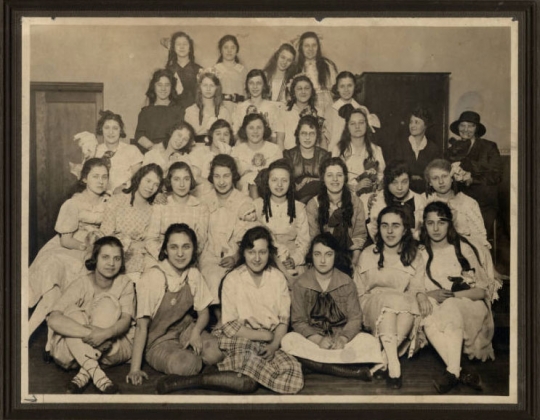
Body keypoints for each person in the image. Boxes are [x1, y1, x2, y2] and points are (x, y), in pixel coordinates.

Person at [157, 226, 304, 395]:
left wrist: (273, 344)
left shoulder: (277, 278)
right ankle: (187, 381)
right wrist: (264, 336)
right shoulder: (233, 279)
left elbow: (283, 320)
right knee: (247, 381)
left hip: (270, 341)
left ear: (269, 253)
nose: (257, 258)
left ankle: (220, 373)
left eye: (262, 252)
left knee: (293, 374)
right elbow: (229, 327)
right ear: (243, 253)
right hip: (238, 337)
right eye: (251, 252)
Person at [418, 201, 497, 393]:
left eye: (441, 222)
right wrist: (430, 294)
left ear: (450, 224)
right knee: (427, 316)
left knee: (451, 305)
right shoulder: (421, 253)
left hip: (469, 308)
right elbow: (415, 289)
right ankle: (458, 371)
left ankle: (452, 371)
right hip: (440, 308)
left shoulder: (462, 249)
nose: (436, 228)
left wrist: (452, 295)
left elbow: (481, 291)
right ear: (424, 225)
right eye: (430, 223)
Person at [281, 233, 383, 379]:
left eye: (328, 254)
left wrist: (343, 339)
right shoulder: (301, 283)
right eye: (317, 254)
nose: (322, 260)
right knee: (288, 341)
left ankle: (316, 365)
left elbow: (355, 319)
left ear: (336, 256)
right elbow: (298, 321)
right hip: (314, 342)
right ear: (311, 256)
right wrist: (318, 340)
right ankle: (347, 370)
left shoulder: (346, 282)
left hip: (341, 341)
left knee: (370, 342)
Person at [29, 158, 110, 340]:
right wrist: (86, 247)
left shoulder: (109, 202)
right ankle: (33, 336)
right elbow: (65, 240)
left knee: (69, 294)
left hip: (91, 251)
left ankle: (50, 342)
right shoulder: (74, 203)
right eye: (95, 176)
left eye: (104, 177)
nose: (100, 181)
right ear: (84, 179)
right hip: (68, 248)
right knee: (52, 285)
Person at [126, 223, 214, 386]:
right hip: (157, 341)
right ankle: (188, 358)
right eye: (174, 247)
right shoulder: (153, 277)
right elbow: (141, 327)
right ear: (165, 250)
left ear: (193, 249)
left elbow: (204, 312)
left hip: (184, 330)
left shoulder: (193, 274)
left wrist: (195, 332)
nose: (180, 254)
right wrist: (135, 369)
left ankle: (190, 354)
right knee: (186, 365)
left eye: (186, 247)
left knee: (215, 353)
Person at [47, 236, 135, 394]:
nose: (111, 263)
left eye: (117, 258)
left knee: (108, 302)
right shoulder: (81, 283)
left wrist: (106, 334)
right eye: (105, 257)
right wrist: (94, 335)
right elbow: (53, 318)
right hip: (72, 353)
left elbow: (126, 320)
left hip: (112, 349)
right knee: (72, 312)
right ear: (95, 258)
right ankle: (97, 374)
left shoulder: (125, 283)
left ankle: (85, 374)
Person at [355, 206, 427, 389]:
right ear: (378, 229)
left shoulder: (415, 255)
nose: (389, 231)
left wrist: (420, 296)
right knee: (390, 304)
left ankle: (387, 360)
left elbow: (416, 288)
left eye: (395, 225)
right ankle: (394, 365)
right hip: (372, 306)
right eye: (384, 225)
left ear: (404, 230)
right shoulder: (368, 254)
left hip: (402, 310)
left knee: (404, 304)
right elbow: (359, 291)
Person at [199, 154, 258, 311]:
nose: (221, 181)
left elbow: (250, 238)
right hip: (208, 256)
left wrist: (236, 256)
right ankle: (216, 320)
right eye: (217, 176)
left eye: (226, 176)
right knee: (210, 275)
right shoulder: (204, 200)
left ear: (234, 176)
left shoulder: (244, 202)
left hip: (237, 255)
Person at [423, 159, 497, 283]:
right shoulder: (426, 203)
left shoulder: (468, 202)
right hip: (436, 248)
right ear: (429, 183)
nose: (441, 182)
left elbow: (479, 236)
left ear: (452, 178)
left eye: (445, 176)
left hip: (465, 248)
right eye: (435, 178)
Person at [100, 164, 164, 283]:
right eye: (148, 181)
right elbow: (106, 233)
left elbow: (151, 239)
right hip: (115, 251)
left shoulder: (154, 209)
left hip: (142, 255)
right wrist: (128, 244)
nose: (150, 187)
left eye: (156, 184)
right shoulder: (117, 200)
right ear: (139, 178)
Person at [445, 111, 503, 239]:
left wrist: (472, 178)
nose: (466, 130)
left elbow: (496, 175)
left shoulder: (488, 147)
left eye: (470, 126)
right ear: (458, 127)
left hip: (483, 202)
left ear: (476, 129)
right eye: (462, 125)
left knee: (473, 236)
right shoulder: (451, 150)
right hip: (457, 200)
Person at [254, 159, 310, 288]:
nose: (279, 185)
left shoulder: (299, 208)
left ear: (290, 183)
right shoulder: (257, 206)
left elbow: (304, 241)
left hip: (291, 259)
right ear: (267, 182)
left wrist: (294, 260)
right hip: (264, 258)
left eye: (284, 180)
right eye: (274, 180)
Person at [306, 157, 367, 266]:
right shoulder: (314, 204)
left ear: (345, 178)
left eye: (339, 175)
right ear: (323, 179)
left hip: (350, 256)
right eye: (330, 175)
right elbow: (314, 238)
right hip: (322, 257)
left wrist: (354, 262)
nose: (335, 179)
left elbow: (359, 233)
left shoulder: (356, 202)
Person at [145, 161, 209, 266]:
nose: (182, 184)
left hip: (188, 260)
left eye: (186, 179)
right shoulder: (161, 206)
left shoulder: (201, 207)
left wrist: (185, 258)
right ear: (170, 181)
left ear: (191, 180)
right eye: (176, 179)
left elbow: (200, 240)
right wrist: (166, 257)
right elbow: (151, 239)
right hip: (162, 259)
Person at [367, 160, 426, 242]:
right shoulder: (378, 200)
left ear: (410, 181)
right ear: (387, 182)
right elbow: (374, 232)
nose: (399, 187)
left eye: (404, 182)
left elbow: (422, 230)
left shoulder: (419, 200)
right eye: (394, 182)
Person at [332, 105, 385, 197]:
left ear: (367, 125)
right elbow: (333, 178)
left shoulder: (376, 150)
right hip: (345, 195)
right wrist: (355, 187)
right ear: (347, 127)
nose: (357, 126)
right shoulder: (339, 149)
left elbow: (382, 177)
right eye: (353, 123)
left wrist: (376, 185)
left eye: (361, 123)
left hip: (371, 196)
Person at [231, 113, 283, 199]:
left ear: (264, 129)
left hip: (270, 194)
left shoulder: (275, 150)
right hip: (243, 196)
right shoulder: (236, 151)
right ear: (244, 130)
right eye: (251, 128)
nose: (255, 131)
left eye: (259, 127)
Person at [133, 69, 185, 154]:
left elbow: (182, 135)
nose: (163, 89)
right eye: (159, 85)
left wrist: (168, 150)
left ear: (172, 87)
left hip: (173, 153)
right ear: (154, 86)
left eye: (167, 85)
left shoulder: (179, 110)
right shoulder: (145, 112)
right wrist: (153, 148)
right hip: (151, 152)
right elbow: (139, 135)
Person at [327, 71, 381, 152]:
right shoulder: (330, 110)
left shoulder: (361, 109)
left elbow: (367, 135)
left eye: (349, 85)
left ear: (355, 86)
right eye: (342, 86)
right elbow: (326, 136)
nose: (346, 90)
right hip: (335, 151)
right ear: (337, 88)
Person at [392, 107, 441, 194]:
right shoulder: (399, 144)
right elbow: (395, 169)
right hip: (402, 190)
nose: (412, 125)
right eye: (411, 122)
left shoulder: (433, 148)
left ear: (426, 125)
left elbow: (434, 174)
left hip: (425, 192)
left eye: (416, 122)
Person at [283, 115, 330, 204]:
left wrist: (311, 180)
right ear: (298, 134)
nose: (307, 138)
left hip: (318, 199)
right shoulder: (289, 155)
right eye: (304, 133)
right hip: (294, 195)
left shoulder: (324, 155)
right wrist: (296, 185)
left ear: (317, 136)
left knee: (317, 186)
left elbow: (329, 179)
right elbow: (285, 178)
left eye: (312, 134)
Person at [232, 69, 285, 146]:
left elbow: (276, 135)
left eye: (258, 83)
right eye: (251, 83)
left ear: (264, 85)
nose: (255, 87)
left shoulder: (272, 107)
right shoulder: (240, 107)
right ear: (246, 85)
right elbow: (235, 134)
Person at [282, 74, 329, 150]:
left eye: (307, 88)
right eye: (299, 88)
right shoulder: (284, 112)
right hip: (290, 158)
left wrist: (324, 159)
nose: (303, 91)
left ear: (312, 91)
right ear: (293, 92)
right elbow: (279, 142)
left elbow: (322, 140)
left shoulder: (318, 112)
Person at [294, 31, 337, 111]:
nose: (311, 49)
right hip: (303, 106)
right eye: (307, 46)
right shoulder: (296, 68)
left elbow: (335, 91)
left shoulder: (328, 66)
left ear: (318, 47)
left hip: (326, 105)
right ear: (301, 48)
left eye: (314, 45)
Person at [184, 71, 231, 141]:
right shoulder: (190, 111)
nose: (208, 89)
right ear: (199, 87)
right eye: (205, 85)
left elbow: (228, 137)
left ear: (217, 88)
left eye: (212, 85)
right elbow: (186, 137)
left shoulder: (223, 112)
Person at [164, 31, 203, 109]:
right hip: (173, 111)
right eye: (178, 44)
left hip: (195, 112)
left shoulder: (199, 70)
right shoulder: (169, 70)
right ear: (174, 48)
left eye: (185, 44)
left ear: (190, 48)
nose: (182, 47)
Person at [213, 35, 248, 115]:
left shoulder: (242, 70)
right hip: (221, 108)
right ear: (220, 50)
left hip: (239, 108)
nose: (229, 51)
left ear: (237, 50)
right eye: (226, 47)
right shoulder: (215, 69)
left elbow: (247, 93)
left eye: (232, 48)